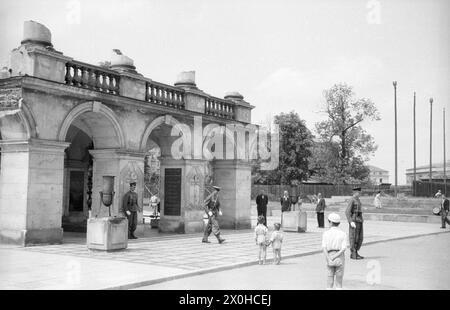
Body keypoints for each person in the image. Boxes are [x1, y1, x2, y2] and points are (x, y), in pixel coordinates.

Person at [322, 213, 347, 289]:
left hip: (329, 255)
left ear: (331, 222)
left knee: (329, 281)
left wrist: (329, 258)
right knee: (339, 282)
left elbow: (324, 247)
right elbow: (343, 248)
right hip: (339, 257)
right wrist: (335, 256)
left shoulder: (326, 233)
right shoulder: (343, 233)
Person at [345, 187, 364, 260]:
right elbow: (347, 212)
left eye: (360, 192)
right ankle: (353, 253)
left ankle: (356, 252)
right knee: (353, 237)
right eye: (359, 192)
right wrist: (350, 221)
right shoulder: (352, 200)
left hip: (359, 220)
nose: (360, 194)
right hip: (354, 220)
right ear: (355, 192)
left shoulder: (358, 200)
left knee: (359, 237)